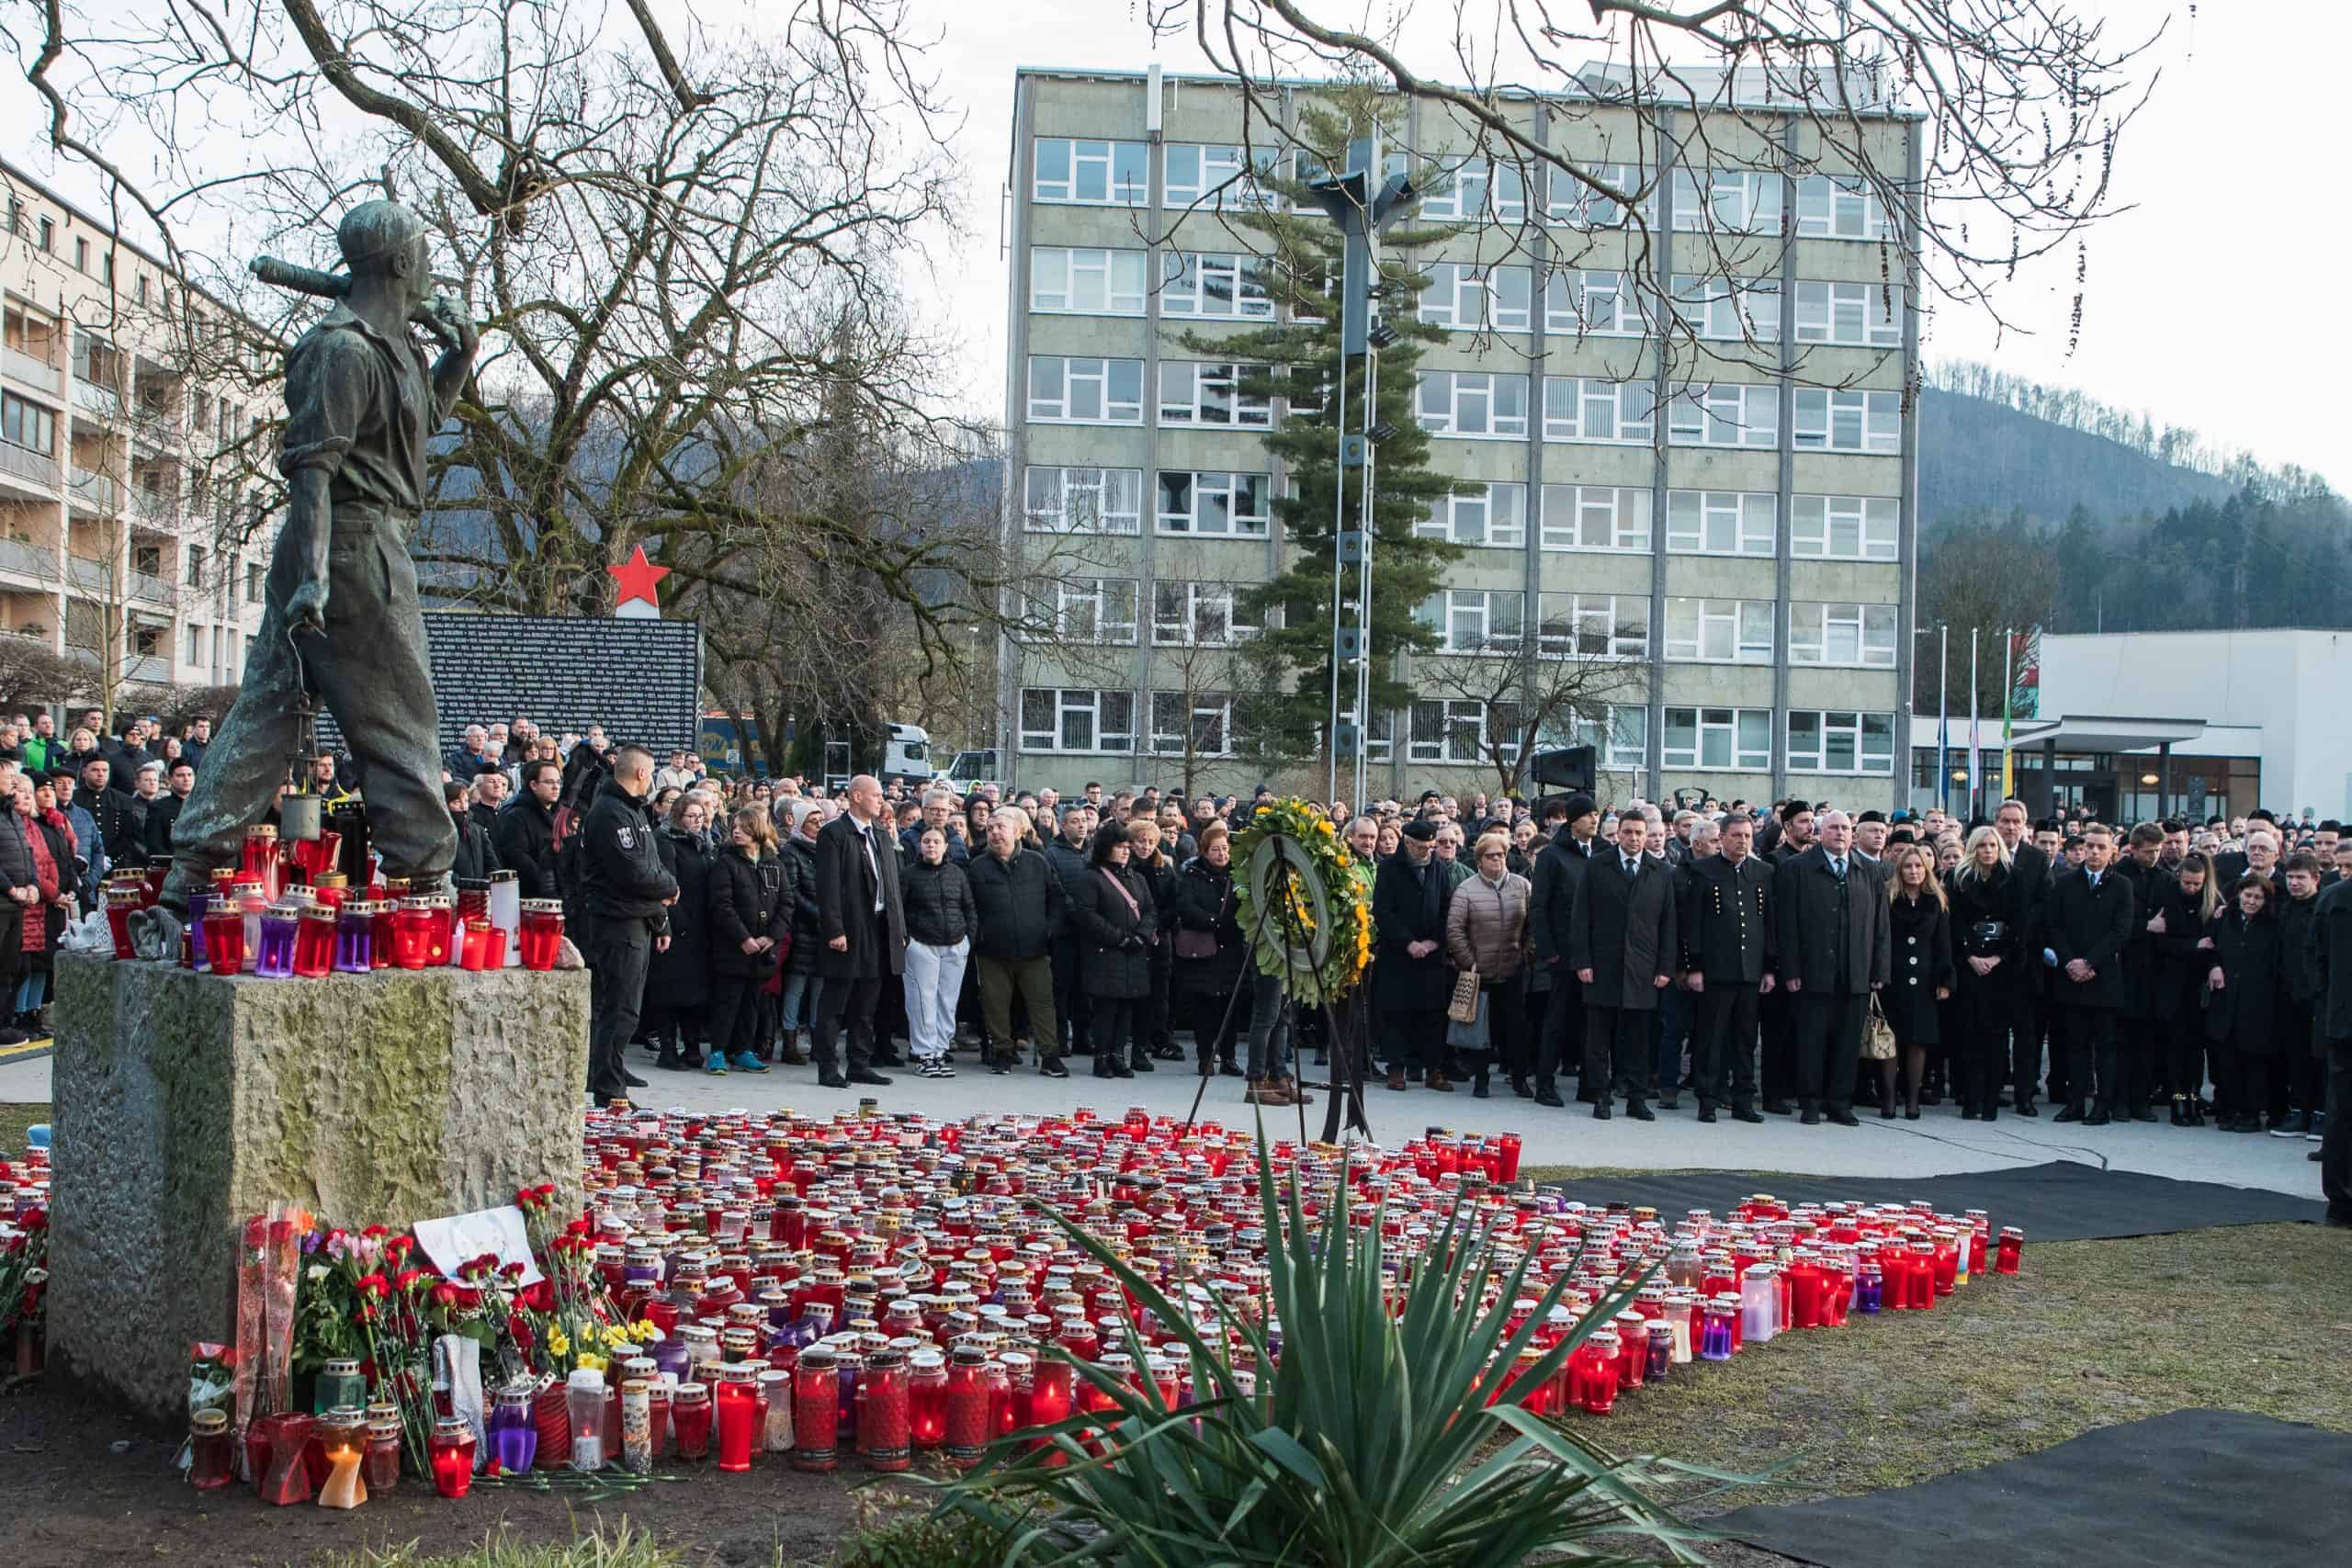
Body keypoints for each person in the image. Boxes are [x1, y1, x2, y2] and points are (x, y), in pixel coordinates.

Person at [166, 202, 475, 911]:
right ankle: (425, 880)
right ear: (401, 265)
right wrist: (311, 578)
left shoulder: (393, 347)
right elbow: (313, 472)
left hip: (363, 540)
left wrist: (461, 355)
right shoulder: (340, 349)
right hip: (346, 546)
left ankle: (192, 869)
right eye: (423, 256)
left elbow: (418, 428)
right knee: (401, 717)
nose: (430, 270)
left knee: (270, 711)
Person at [1773, 808, 1891, 1126]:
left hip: (1855, 974)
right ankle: (1810, 1102)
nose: (1840, 833)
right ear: (1821, 832)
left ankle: (1839, 1103)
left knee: (1846, 1042)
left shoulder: (1868, 871)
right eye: (1833, 828)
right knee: (1811, 1042)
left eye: (1845, 828)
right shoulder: (1796, 868)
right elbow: (1786, 924)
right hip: (1812, 974)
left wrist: (1879, 970)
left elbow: (1880, 926)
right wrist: (1792, 970)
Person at [579, 745, 676, 1105]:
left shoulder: (631, 811)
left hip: (637, 917)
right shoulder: (610, 813)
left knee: (625, 1007)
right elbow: (634, 872)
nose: (651, 780)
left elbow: (650, 861)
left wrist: (660, 919)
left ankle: (611, 1076)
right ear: (640, 774)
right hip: (618, 921)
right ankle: (608, 1088)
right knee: (619, 1008)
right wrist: (670, 888)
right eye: (650, 773)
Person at [1570, 810, 1678, 1121]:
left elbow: (1668, 923)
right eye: (1627, 832)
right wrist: (1583, 960)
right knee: (1598, 1039)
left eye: (1639, 833)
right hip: (1602, 966)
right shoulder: (1597, 866)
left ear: (1647, 836)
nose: (1633, 838)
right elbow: (1581, 917)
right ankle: (1601, 1095)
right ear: (1618, 834)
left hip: (1643, 968)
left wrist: (1665, 967)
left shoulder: (1660, 871)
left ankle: (1636, 1098)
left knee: (1638, 1040)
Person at [811, 774, 907, 1089]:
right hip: (850, 927)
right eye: (875, 795)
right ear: (856, 796)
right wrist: (835, 929)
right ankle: (827, 1065)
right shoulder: (834, 834)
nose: (881, 800)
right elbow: (828, 887)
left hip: (880, 926)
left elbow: (891, 884)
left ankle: (859, 1063)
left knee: (869, 1000)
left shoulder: (880, 832)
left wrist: (898, 929)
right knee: (836, 1000)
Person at [1683, 813, 1774, 1123]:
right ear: (1721, 837)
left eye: (1748, 836)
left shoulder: (1762, 872)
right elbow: (1693, 924)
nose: (1743, 841)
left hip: (1750, 972)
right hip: (1715, 971)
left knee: (1746, 1039)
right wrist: (1693, 967)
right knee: (1711, 1038)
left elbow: (1768, 924)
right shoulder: (1702, 871)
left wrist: (1769, 968)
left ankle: (1743, 1100)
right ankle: (1707, 1099)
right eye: (1736, 835)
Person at [2042, 824, 2135, 1126]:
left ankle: (2102, 1105)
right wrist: (2071, 961)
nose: (2093, 852)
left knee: (2106, 1045)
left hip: (2104, 976)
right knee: (2076, 1044)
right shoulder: (2066, 883)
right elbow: (2054, 925)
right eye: (2089, 846)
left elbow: (2120, 931)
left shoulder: (2122, 885)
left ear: (2112, 851)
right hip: (2072, 976)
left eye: (2100, 847)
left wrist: (2091, 962)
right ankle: (2075, 1103)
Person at [967, 807, 1065, 1078]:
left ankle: (1050, 1056)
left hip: (1034, 949)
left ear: (1017, 831)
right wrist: (979, 935)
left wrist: (1050, 928)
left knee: (1042, 1003)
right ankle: (1002, 1053)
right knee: (995, 1004)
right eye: (990, 829)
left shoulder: (1037, 862)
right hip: (992, 951)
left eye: (1001, 827)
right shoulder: (977, 866)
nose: (995, 833)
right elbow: (969, 906)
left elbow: (1057, 896)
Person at [1444, 831, 1532, 1101]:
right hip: (1479, 974)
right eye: (1490, 856)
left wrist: (1527, 954)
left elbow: (1534, 924)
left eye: (1501, 854)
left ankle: (1519, 1080)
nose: (1497, 860)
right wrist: (1470, 962)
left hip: (1513, 969)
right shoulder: (1467, 890)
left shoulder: (1522, 886)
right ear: (1480, 860)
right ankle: (1481, 1081)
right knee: (1481, 1030)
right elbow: (1455, 930)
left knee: (1516, 1029)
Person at [1069, 821, 1155, 1080]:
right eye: (1120, 846)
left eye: (1128, 846)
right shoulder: (1091, 877)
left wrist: (1140, 936)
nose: (1126, 851)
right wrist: (1120, 939)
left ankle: (1118, 1054)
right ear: (1106, 848)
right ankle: (1102, 1057)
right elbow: (1086, 915)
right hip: (1107, 953)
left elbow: (1151, 910)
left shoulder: (1137, 878)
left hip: (1134, 952)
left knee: (1127, 1007)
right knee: (1106, 1009)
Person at [1528, 791, 1599, 1108]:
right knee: (1556, 1019)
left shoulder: (1600, 853)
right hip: (1562, 952)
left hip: (1593, 952)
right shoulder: (1552, 856)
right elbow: (1539, 906)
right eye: (1588, 815)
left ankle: (1589, 1084)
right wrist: (1548, 948)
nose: (1595, 820)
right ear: (1573, 821)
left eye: (1597, 814)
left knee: (1590, 1020)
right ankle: (1545, 1083)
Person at [1947, 826, 2022, 1122]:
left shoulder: (2015, 878)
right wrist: (1971, 957)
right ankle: (1970, 1098)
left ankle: (1991, 1101)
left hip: (2003, 968)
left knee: (1997, 1036)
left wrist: (1997, 956)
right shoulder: (1959, 878)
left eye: (1992, 845)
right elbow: (1953, 922)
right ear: (1973, 849)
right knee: (1970, 1033)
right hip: (1969, 967)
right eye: (1982, 846)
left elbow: (2020, 923)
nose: (1988, 850)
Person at [1374, 818, 1455, 1093]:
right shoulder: (1388, 868)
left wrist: (1434, 942)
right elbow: (1383, 912)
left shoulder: (1438, 868)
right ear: (1407, 844)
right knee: (1396, 1013)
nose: (1428, 852)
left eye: (1431, 847)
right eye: (1422, 848)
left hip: (1431, 955)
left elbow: (1447, 908)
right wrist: (1408, 942)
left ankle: (1433, 1068)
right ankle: (1396, 1068)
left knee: (1432, 1014)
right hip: (1398, 953)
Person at [1170, 822, 1249, 1082]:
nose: (1222, 855)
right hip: (1204, 950)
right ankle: (1206, 1056)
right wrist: (1213, 922)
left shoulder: (1238, 876)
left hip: (1231, 949)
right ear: (1204, 851)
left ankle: (1229, 1056)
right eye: (1216, 850)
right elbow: (1186, 907)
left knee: (1230, 1005)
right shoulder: (1192, 875)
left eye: (1225, 849)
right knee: (1205, 1007)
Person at [645, 793, 718, 1071]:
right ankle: (668, 1048)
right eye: (691, 816)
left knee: (696, 994)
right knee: (671, 992)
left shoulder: (705, 844)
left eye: (700, 816)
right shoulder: (665, 841)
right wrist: (679, 922)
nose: (697, 822)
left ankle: (691, 1046)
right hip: (676, 926)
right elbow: (668, 884)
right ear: (678, 816)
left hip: (702, 926)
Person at [1881, 843, 1954, 1120]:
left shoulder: (1936, 901)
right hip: (1892, 979)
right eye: (1908, 866)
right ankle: (1889, 1098)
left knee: (1917, 1041)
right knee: (1890, 1041)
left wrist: (1945, 980)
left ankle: (1913, 1099)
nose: (1914, 871)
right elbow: (1880, 939)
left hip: (1924, 980)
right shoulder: (1888, 898)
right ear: (1900, 870)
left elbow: (1943, 943)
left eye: (1919, 866)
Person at [2205, 874, 2282, 1134]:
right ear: (2238, 895)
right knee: (2226, 1059)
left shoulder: (2273, 925)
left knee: (2253, 1060)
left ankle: (2250, 1113)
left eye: (2258, 897)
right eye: (2247, 895)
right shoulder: (2224, 918)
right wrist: (2214, 966)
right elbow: (2210, 947)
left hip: (2257, 1002)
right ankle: (2228, 1109)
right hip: (2226, 998)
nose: (2251, 901)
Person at [899, 823, 976, 1079]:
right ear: (920, 846)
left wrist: (968, 938)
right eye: (926, 841)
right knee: (922, 1000)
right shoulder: (909, 875)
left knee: (947, 1001)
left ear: (945, 846)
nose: (931, 845)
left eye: (936, 841)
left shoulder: (957, 873)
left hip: (955, 945)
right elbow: (898, 910)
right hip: (921, 944)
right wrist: (906, 940)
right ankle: (924, 1054)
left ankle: (940, 1050)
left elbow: (969, 907)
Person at [2277, 852, 2326, 1137]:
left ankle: (2321, 1113)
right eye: (2291, 878)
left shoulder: (2323, 908)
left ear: (2315, 879)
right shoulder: (2285, 908)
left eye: (2300, 878)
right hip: (2288, 993)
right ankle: (2299, 1111)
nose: (2294, 883)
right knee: (2295, 1055)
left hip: (2317, 995)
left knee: (2318, 1057)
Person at [1045, 804, 1098, 1061]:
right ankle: (1059, 1039)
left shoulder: (1092, 853)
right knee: (1062, 987)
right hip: (1064, 930)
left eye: (1084, 820)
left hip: (1089, 932)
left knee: (1085, 987)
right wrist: (1077, 911)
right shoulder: (1052, 854)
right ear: (1063, 825)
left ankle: (1082, 1037)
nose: (1081, 824)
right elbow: (1054, 888)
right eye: (1075, 821)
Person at [496, 758, 561, 898]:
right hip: (529, 897)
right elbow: (518, 857)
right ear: (533, 785)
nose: (556, 787)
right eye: (549, 782)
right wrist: (548, 884)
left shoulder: (557, 814)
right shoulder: (516, 816)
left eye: (558, 782)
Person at [445, 780, 502, 880]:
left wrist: (483, 883)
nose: (463, 807)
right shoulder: (442, 833)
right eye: (456, 802)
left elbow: (493, 865)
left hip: (479, 891)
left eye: (466, 801)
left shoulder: (478, 830)